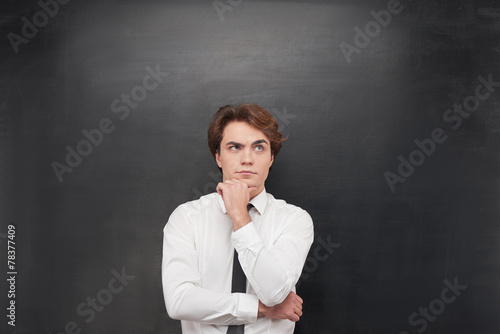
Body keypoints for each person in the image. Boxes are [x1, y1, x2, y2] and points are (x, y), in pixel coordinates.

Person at [162, 103, 314, 333]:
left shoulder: (294, 220)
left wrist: (239, 216)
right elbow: (179, 301)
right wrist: (260, 309)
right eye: (235, 147)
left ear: (271, 158)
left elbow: (275, 292)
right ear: (218, 157)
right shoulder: (186, 218)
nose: (247, 159)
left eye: (259, 148)